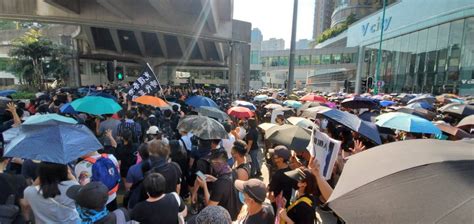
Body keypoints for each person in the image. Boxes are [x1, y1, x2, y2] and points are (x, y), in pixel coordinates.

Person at [195, 150, 242, 221]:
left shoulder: (219, 184)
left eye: (212, 164)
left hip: (224, 218)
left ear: (217, 164)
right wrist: (214, 179)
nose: (212, 167)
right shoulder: (234, 172)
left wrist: (204, 185)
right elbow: (227, 184)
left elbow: (209, 208)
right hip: (235, 213)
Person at [0, 153, 30, 223]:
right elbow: (24, 204)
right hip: (11, 219)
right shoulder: (19, 179)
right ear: (7, 161)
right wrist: (28, 220)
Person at [268, 146, 297, 210]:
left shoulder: (277, 175)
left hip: (277, 204)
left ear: (281, 159)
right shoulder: (290, 170)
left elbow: (270, 195)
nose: (272, 157)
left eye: (274, 156)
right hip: (286, 202)